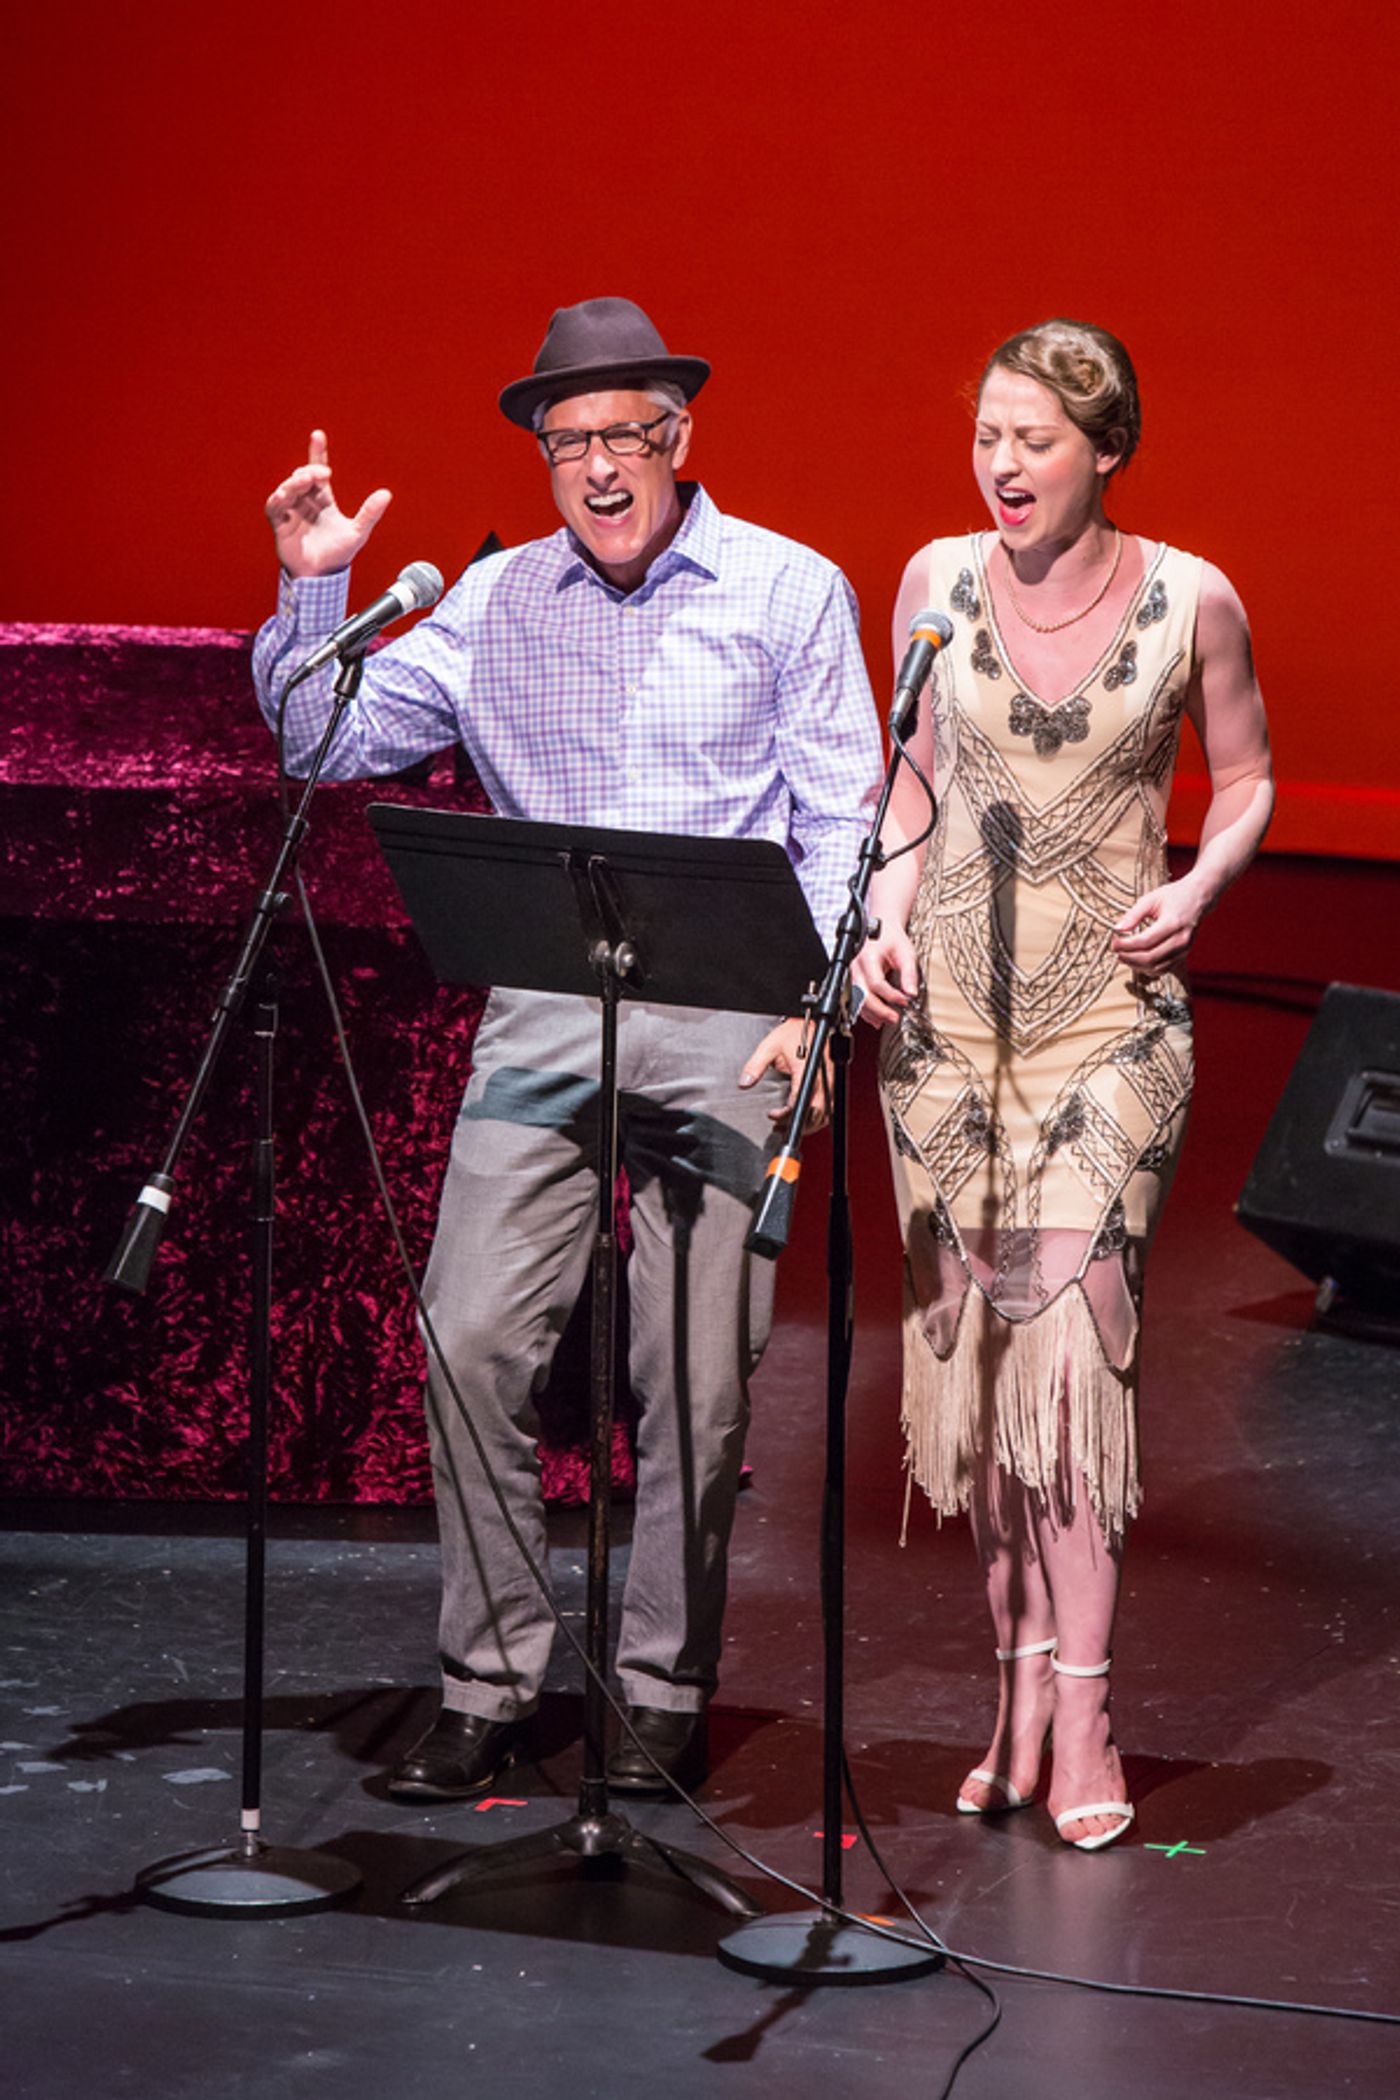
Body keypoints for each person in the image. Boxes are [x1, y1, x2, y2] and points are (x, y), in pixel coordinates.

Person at [253, 296, 882, 1800]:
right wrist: (308, 600)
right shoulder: (495, 600)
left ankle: (661, 1685)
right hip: (545, 1008)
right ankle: (488, 1679)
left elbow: (846, 813)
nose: (597, 467)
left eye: (624, 436)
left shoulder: (792, 590)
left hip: (732, 1017)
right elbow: (316, 742)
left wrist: (819, 1004)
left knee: (698, 1380)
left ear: (681, 440)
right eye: (566, 440)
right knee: (467, 1335)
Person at [854, 320, 1273, 1850]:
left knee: (1075, 1379)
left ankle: (1087, 1707)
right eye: (987, 436)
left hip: (1112, 1031)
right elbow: (908, 781)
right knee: (974, 1380)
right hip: (948, 1039)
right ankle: (1014, 1690)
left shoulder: (1190, 600)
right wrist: (884, 921)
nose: (1002, 465)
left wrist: (1209, 880)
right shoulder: (929, 585)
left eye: (1033, 438)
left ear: (1105, 447)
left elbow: (1250, 777)